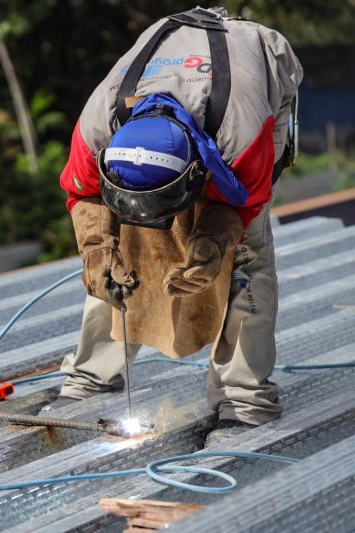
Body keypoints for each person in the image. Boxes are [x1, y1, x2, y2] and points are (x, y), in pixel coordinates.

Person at [43, 7, 303, 447]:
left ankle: (244, 398)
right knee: (111, 266)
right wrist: (97, 249)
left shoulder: (240, 137)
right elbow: (83, 192)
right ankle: (92, 374)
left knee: (245, 258)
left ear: (194, 172)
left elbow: (243, 203)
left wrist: (211, 244)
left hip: (255, 77)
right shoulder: (97, 128)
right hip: (179, 80)